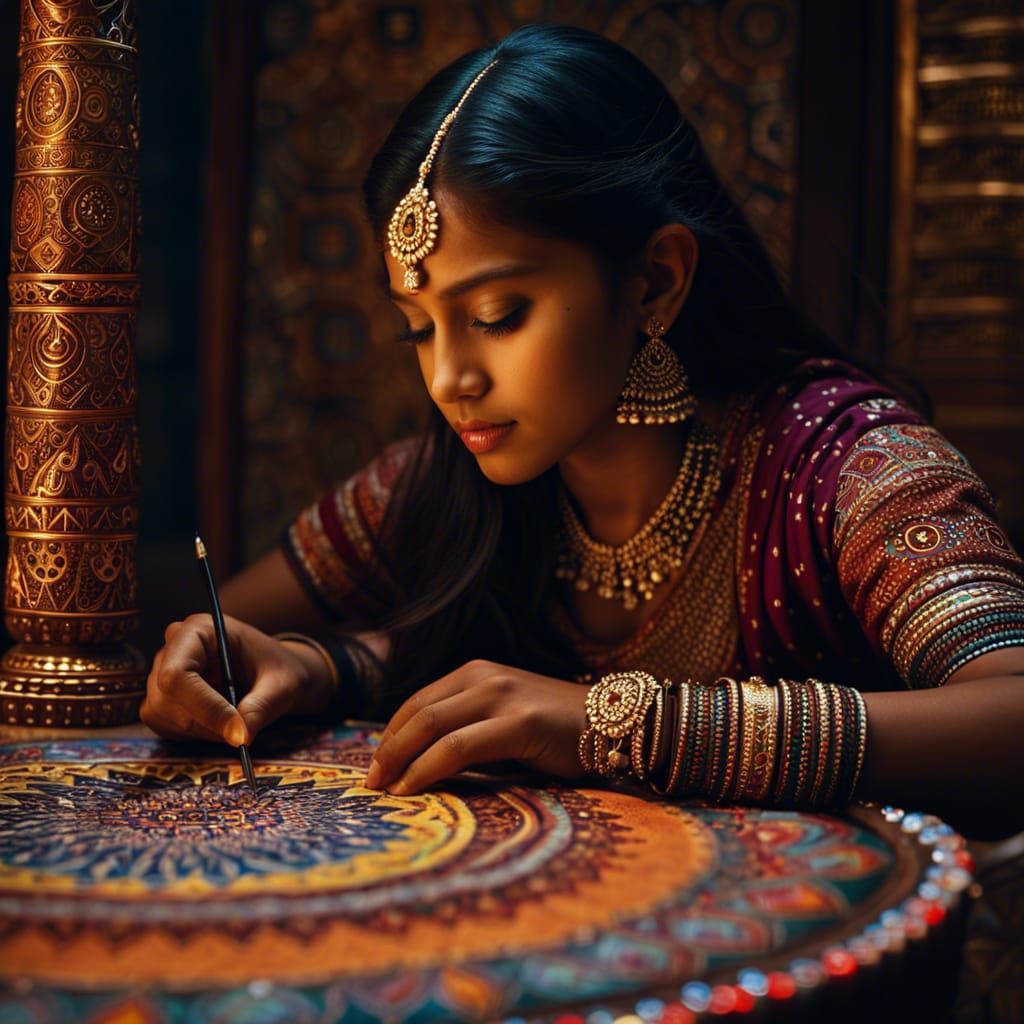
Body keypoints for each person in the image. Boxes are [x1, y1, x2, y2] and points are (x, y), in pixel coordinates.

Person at [143, 25, 1024, 838]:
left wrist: (615, 726)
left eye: (498, 313)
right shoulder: (447, 479)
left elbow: (1010, 716)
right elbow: (230, 636)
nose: (451, 378)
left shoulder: (843, 467)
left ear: (654, 283)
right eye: (419, 325)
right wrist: (299, 666)